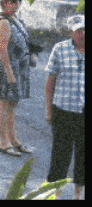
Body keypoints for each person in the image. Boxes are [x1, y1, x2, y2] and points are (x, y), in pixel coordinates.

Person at [44, 14, 84, 199]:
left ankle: (78, 194)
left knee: (83, 155)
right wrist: (49, 109)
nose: (82, 34)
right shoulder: (60, 49)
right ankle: (54, 193)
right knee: (60, 154)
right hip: (63, 109)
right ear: (71, 32)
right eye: (78, 31)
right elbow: (50, 81)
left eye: (85, 30)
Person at [0, 0, 33, 156]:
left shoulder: (14, 19)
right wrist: (9, 73)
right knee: (4, 104)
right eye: (13, 1)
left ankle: (13, 138)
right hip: (8, 68)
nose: (17, 4)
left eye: (19, 0)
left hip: (19, 67)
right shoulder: (3, 21)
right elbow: (2, 50)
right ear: (4, 3)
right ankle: (4, 141)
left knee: (12, 105)